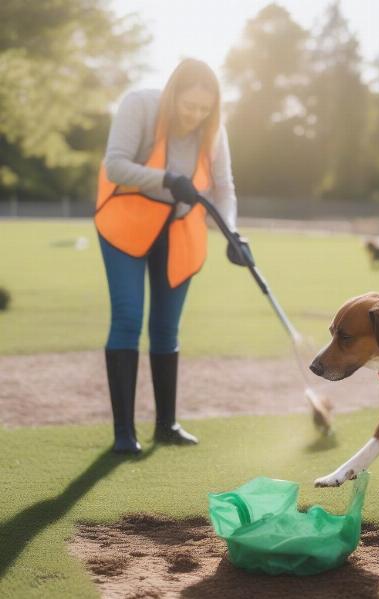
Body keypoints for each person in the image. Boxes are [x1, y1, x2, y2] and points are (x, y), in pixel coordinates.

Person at [95, 58, 252, 453]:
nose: (196, 116)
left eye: (204, 109)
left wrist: (232, 233)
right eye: (189, 106)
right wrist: (166, 179)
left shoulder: (214, 130)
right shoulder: (139, 106)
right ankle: (123, 435)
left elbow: (224, 189)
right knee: (128, 318)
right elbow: (115, 166)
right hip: (127, 223)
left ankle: (166, 424)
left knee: (167, 328)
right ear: (171, 95)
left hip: (179, 228)